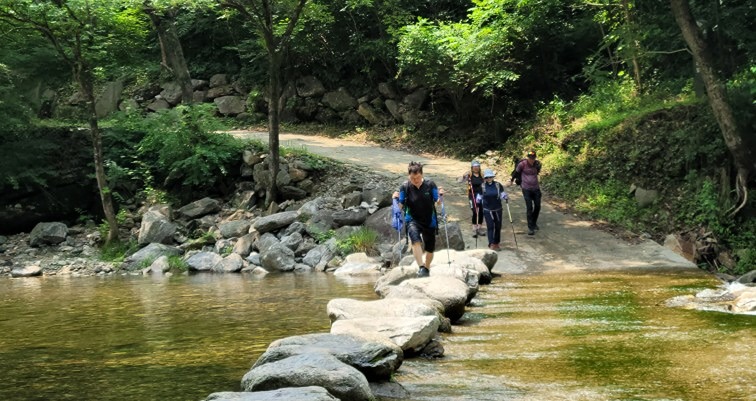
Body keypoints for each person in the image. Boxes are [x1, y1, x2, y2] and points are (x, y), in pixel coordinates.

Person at [393, 161, 444, 277]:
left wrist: (440, 196)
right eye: (412, 178)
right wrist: (395, 200)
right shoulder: (405, 187)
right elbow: (400, 206)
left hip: (429, 220)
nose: (415, 180)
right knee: (415, 241)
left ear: (422, 175)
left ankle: (426, 267)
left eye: (418, 177)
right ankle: (421, 267)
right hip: (412, 219)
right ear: (408, 176)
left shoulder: (430, 184)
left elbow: (438, 202)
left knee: (430, 249)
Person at [476, 169, 508, 250]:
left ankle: (496, 243)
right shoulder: (482, 186)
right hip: (487, 209)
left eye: (490, 177)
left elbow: (502, 193)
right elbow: (479, 196)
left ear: (493, 177)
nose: (489, 178)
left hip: (497, 209)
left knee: (498, 226)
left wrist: (505, 196)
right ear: (485, 178)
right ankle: (491, 243)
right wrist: (478, 200)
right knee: (490, 226)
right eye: (487, 177)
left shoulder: (498, 185)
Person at [514, 150, 542, 235]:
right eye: (530, 158)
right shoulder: (522, 164)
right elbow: (516, 172)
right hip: (526, 188)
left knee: (537, 206)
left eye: (533, 158)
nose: (531, 160)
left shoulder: (537, 164)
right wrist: (517, 180)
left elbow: (537, 172)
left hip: (536, 188)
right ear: (528, 158)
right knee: (529, 207)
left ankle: (534, 222)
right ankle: (530, 227)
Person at [462, 160, 485, 237]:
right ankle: (474, 228)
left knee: (481, 211)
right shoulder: (469, 175)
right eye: (474, 166)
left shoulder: (482, 175)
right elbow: (459, 181)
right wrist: (464, 175)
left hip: (481, 195)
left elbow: (485, 184)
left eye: (477, 166)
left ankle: (479, 227)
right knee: (475, 211)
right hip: (472, 195)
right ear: (472, 167)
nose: (476, 168)